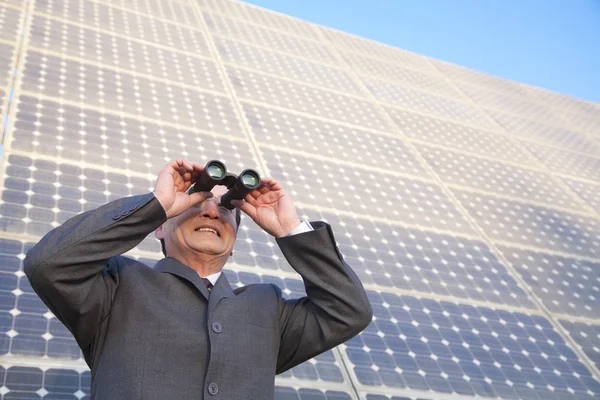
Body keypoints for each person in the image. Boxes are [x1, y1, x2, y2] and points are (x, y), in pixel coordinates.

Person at [24, 159, 373, 399]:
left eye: (227, 210)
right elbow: (48, 264)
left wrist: (290, 230)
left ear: (234, 243)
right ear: (160, 227)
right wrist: (157, 203)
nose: (211, 211)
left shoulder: (268, 308)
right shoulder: (116, 288)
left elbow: (349, 312)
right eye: (197, 204)